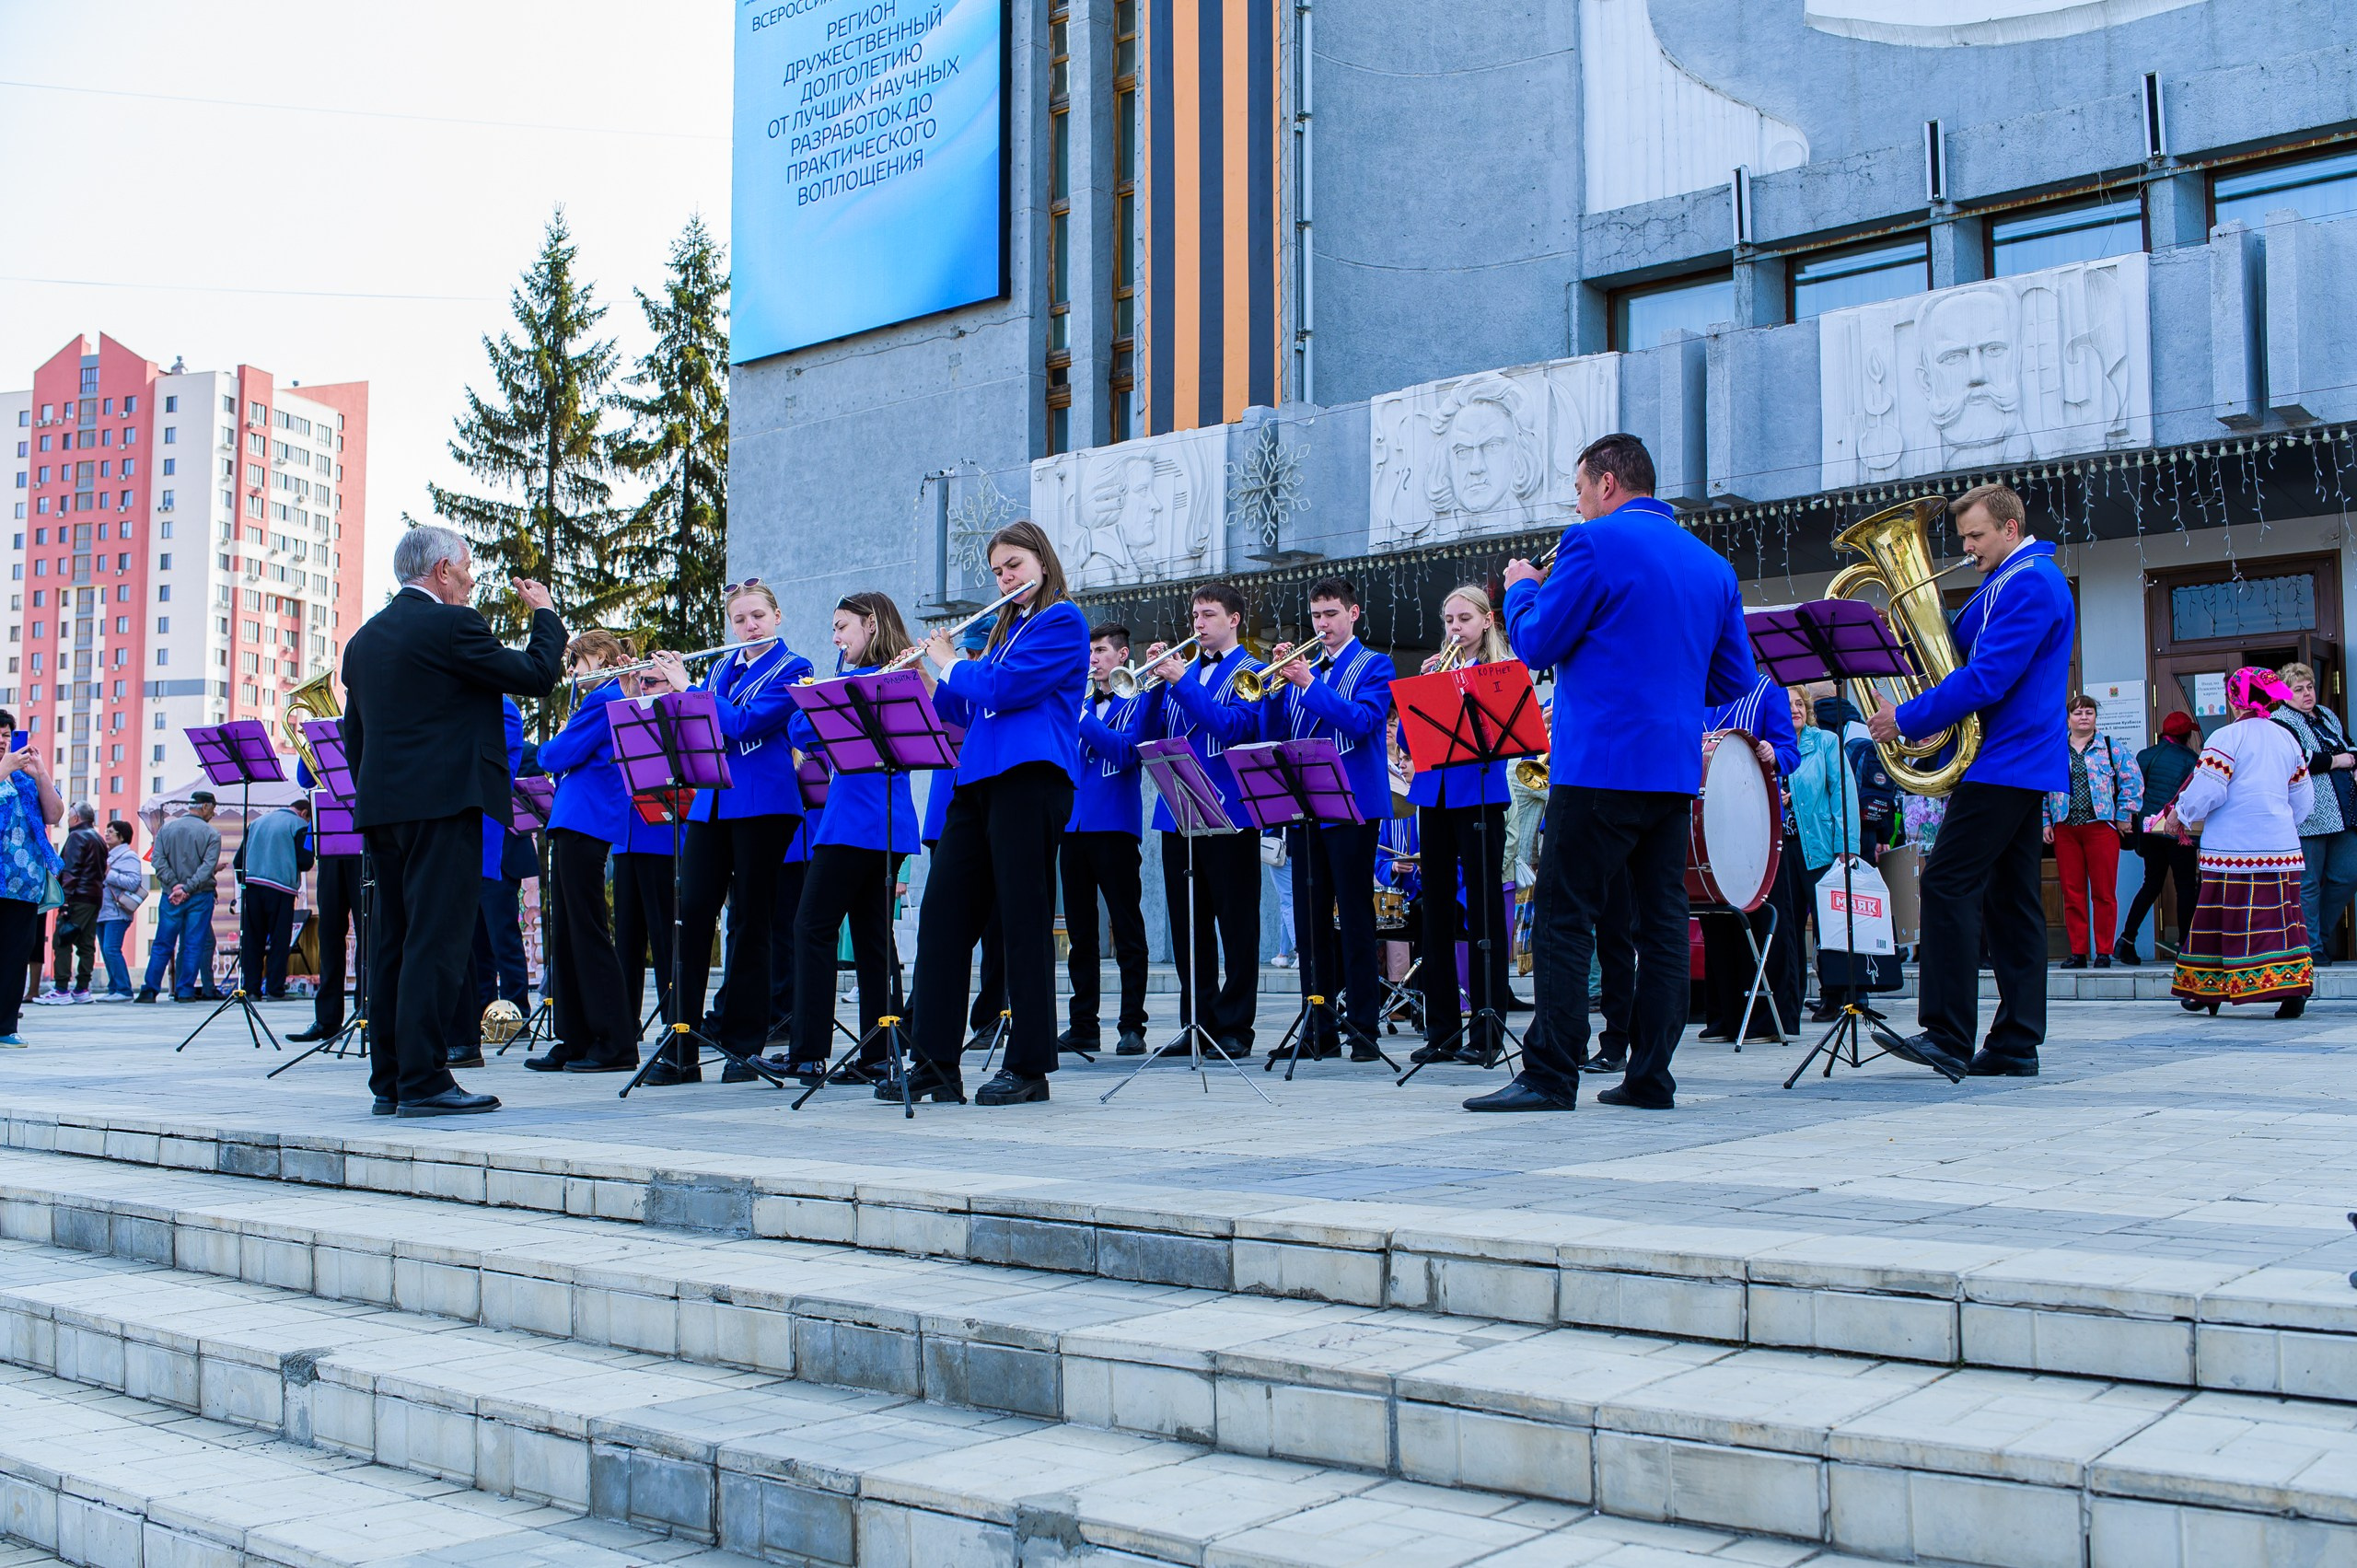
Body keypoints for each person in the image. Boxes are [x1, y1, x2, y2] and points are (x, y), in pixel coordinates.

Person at [1483, 432, 1757, 1113]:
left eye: (1580, 490)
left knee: (1564, 915)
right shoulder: (1712, 564)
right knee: (1661, 924)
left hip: (1598, 765)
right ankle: (1650, 1075)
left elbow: (1537, 642)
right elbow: (1733, 679)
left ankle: (1550, 1074)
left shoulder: (1591, 542)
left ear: (1607, 483)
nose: (1578, 505)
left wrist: (1520, 590)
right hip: (1671, 771)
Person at [343, 523, 563, 1118]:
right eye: (466, 569)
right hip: (444, 806)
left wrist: (379, 795)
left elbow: (355, 737)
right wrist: (546, 615)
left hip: (383, 811)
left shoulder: (363, 641)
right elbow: (536, 675)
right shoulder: (453, 625)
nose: (470, 581)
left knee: (392, 942)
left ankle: (390, 1079)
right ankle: (424, 1080)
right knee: (436, 941)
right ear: (442, 570)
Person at [1867, 484, 2073, 1081]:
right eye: (1962, 537)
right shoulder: (2008, 582)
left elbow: (1987, 678)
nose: (1967, 547)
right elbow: (1955, 657)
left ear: (2010, 529)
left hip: (2006, 760)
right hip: (2011, 761)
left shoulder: (2029, 582)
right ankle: (2015, 1042)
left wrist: (1906, 717)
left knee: (1948, 882)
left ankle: (1947, 1034)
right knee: (2011, 902)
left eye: (1976, 535)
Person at [907, 519, 1090, 1105]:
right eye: (997, 571)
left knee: (1022, 920)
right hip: (976, 780)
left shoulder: (1062, 620)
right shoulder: (1006, 632)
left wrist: (950, 662)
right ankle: (934, 1061)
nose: (1005, 578)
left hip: (1030, 777)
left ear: (1042, 560)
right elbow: (968, 708)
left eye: (1014, 565)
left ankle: (1029, 1066)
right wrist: (925, 678)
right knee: (942, 917)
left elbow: (1007, 690)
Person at [643, 579, 812, 1085]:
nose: (749, 626)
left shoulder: (795, 668)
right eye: (739, 620)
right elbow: (698, 725)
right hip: (711, 802)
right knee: (692, 914)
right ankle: (681, 1046)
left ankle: (743, 1045)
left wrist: (688, 688)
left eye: (757, 616)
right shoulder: (720, 668)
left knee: (750, 922)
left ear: (777, 617)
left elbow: (743, 725)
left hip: (764, 804)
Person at [782, 592, 921, 1083]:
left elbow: (804, 726)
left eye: (842, 626)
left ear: (872, 624)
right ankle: (878, 1055)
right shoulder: (855, 681)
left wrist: (830, 688)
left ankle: (808, 1052)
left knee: (812, 927)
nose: (836, 637)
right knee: (872, 940)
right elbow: (798, 729)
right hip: (880, 825)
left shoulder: (883, 681)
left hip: (857, 823)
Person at [1260, 577, 1394, 1062]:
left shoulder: (1374, 664)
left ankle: (1364, 1028)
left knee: (1355, 916)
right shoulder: (1305, 670)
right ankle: (1318, 1027)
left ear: (1353, 614)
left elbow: (1361, 722)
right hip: (1305, 807)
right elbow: (1273, 732)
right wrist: (1273, 689)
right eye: (1316, 616)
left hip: (1353, 805)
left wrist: (1308, 685)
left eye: (1331, 614)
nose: (1322, 624)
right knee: (1309, 920)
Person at [1132, 582, 1266, 1058]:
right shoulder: (1181, 673)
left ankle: (1235, 1027)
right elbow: (1144, 735)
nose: (1199, 624)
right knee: (1189, 926)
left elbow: (1234, 728)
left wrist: (1181, 682)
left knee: (1237, 924)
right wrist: (1153, 684)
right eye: (1194, 616)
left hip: (1231, 811)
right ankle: (1196, 1021)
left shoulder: (1254, 671)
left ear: (1234, 620)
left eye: (1208, 615)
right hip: (1178, 810)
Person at [2160, 667, 2314, 1020]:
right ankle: (2293, 990)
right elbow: (2303, 799)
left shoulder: (2226, 737)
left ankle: (2207, 990)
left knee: (2220, 921)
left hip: (2231, 850)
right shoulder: (2287, 738)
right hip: (2280, 851)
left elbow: (2208, 789)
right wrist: (2280, 824)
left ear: (2234, 700)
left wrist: (2180, 814)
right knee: (2283, 923)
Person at [1405, 584, 1515, 1067]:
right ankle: (1442, 1030)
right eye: (1449, 620)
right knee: (1436, 912)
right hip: (1434, 796)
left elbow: (1511, 737)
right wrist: (1424, 690)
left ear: (1486, 621)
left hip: (1481, 795)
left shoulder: (1500, 673)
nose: (1455, 628)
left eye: (1464, 619)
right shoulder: (1437, 669)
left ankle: (1488, 1030)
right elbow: (1410, 740)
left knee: (1485, 910)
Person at [527, 631, 641, 1074]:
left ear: (601, 658)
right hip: (575, 820)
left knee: (588, 931)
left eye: (577, 661)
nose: (572, 671)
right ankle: (575, 1037)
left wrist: (551, 745)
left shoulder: (605, 699)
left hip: (585, 820)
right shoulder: (603, 699)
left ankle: (615, 1041)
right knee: (569, 934)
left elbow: (556, 755)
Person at [1695, 677, 1802, 1045]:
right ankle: (1724, 1015)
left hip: (1756, 822)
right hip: (1708, 823)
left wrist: (1775, 754)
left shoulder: (1767, 690)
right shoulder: (1695, 684)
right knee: (1716, 918)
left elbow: (1790, 753)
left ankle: (1768, 1018)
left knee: (1761, 918)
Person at [1062, 622, 1151, 1057]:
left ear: (1122, 655)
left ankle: (1132, 1025)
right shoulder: (1078, 702)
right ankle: (1083, 1025)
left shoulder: (1138, 700)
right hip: (1073, 826)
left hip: (1114, 826)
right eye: (1090, 652)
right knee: (1081, 934)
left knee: (1127, 928)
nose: (1092, 659)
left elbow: (1127, 752)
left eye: (1100, 651)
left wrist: (1081, 720)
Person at [2043, 694, 2142, 970]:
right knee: (2072, 893)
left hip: (2101, 828)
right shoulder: (2055, 749)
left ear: (2095, 718)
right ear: (2068, 719)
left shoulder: (2109, 747)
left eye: (2089, 712)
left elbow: (2133, 780)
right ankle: (2078, 952)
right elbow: (2042, 788)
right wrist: (2045, 821)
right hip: (2066, 829)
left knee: (2104, 893)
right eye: (2078, 713)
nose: (2084, 717)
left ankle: (2104, 952)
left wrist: (2124, 815)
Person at [2271, 662, 2357, 967]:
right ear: (2285, 694)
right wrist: (2339, 761)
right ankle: (2311, 947)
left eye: (2309, 687)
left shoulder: (2326, 715)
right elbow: (2301, 759)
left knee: (2348, 874)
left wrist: (2349, 759)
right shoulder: (2279, 722)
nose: (2307, 693)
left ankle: (2318, 935)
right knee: (2307, 883)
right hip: (2310, 814)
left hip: (2344, 810)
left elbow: (2350, 746)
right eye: (2298, 689)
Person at [2117, 711, 2200, 964]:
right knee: (2185, 886)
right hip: (2178, 832)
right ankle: (2185, 945)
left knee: (2151, 884)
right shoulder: (2191, 759)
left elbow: (2134, 791)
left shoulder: (2144, 755)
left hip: (2149, 831)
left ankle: (2126, 940)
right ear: (2186, 735)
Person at [0, 720, 62, 1047]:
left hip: (24, 884)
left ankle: (6, 1026)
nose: (2, 740)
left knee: (15, 956)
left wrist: (42, 775)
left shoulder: (24, 777)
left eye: (6, 735)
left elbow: (54, 814)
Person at [138, 793, 221, 1004]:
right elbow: (207, 867)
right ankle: (185, 991)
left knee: (162, 943)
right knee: (193, 944)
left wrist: (175, 885)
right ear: (205, 807)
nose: (213, 814)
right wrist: (188, 888)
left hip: (170, 895)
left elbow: (158, 860)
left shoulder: (166, 829)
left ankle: (149, 990)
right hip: (200, 895)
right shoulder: (211, 834)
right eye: (212, 809)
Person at [235, 796, 313, 1000]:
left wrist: (245, 882)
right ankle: (274, 989)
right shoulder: (299, 824)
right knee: (279, 941)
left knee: (253, 940)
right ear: (305, 813)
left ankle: (251, 989)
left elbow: (238, 860)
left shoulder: (257, 822)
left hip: (252, 886)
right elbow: (305, 861)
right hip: (281, 888)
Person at [38, 802, 104, 1004]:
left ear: (76, 818)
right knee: (86, 944)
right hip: (94, 897)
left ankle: (61, 989)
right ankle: (82, 988)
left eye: (69, 817)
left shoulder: (77, 837)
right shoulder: (98, 839)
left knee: (63, 940)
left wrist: (64, 901)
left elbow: (71, 871)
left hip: (77, 897)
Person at [94, 819, 143, 1001]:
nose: (106, 834)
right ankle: (114, 988)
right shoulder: (107, 855)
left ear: (121, 837)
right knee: (106, 951)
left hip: (117, 911)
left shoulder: (128, 856)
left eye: (111, 832)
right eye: (106, 831)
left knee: (111, 949)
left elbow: (134, 882)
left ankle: (123, 989)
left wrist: (109, 873)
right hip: (103, 910)